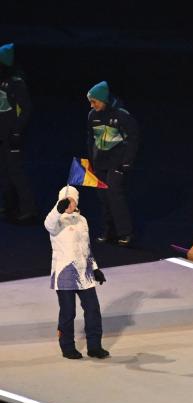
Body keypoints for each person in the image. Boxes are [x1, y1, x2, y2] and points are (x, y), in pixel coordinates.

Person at [44, 185, 110, 359]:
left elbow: (86, 247)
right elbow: (48, 224)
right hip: (65, 275)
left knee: (93, 309)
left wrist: (95, 268)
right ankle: (67, 347)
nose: (69, 204)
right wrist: (58, 209)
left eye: (71, 200)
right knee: (68, 312)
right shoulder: (57, 219)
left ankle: (95, 346)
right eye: (65, 201)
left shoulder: (82, 220)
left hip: (85, 274)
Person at [86, 81, 139, 246]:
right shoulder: (92, 116)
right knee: (103, 197)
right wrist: (91, 161)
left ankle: (125, 233)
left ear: (103, 100)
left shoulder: (121, 115)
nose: (92, 105)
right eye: (90, 102)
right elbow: (90, 139)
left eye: (94, 101)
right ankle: (109, 232)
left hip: (117, 162)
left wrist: (127, 162)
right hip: (100, 162)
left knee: (114, 194)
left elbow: (134, 138)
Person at [0, 42, 37, 223]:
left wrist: (16, 132)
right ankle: (9, 205)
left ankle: (28, 209)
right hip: (2, 135)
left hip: (12, 135)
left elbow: (26, 109)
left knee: (16, 172)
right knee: (5, 171)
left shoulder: (16, 83)